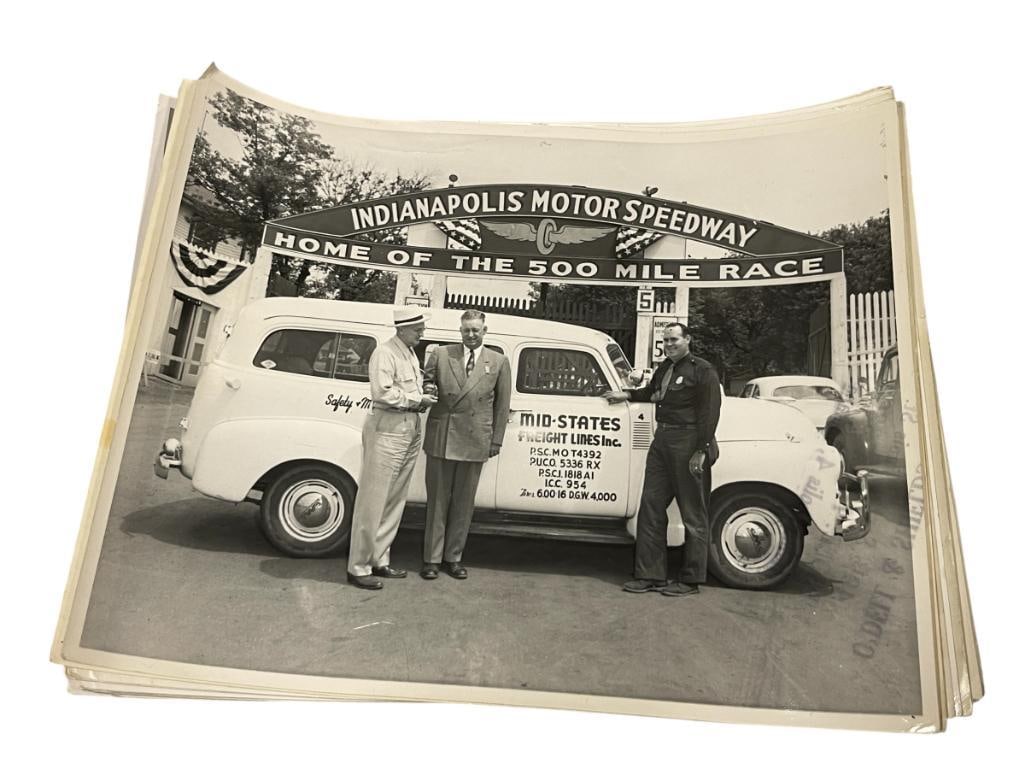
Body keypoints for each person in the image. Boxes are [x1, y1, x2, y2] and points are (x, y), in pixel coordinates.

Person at [604, 322, 721, 597]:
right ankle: (650, 574)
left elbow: (710, 412)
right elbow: (653, 394)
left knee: (693, 513)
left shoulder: (703, 370)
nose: (669, 345)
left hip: (690, 441)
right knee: (651, 506)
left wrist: (702, 450)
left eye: (674, 340)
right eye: (666, 341)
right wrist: (628, 394)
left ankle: (691, 579)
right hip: (663, 441)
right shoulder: (665, 368)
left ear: (688, 339)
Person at [346, 307, 438, 590]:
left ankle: (379, 559)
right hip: (388, 429)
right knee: (373, 501)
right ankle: (358, 567)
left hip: (408, 429)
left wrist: (422, 396)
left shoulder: (409, 353)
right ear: (401, 328)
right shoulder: (384, 353)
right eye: (417, 329)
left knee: (394, 499)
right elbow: (382, 392)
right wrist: (417, 398)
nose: (422, 333)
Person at [419, 310, 511, 580]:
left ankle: (454, 558)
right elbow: (427, 381)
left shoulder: (498, 361)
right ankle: (431, 559)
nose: (471, 335)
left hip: (475, 439)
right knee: (437, 501)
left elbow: (502, 406)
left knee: (463, 502)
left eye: (476, 330)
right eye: (466, 330)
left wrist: (495, 440)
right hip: (443, 436)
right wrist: (428, 390)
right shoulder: (442, 354)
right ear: (460, 331)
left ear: (485, 331)